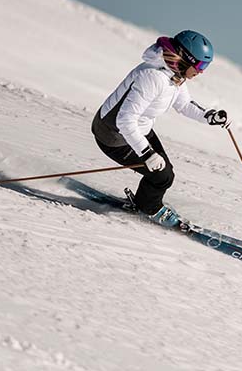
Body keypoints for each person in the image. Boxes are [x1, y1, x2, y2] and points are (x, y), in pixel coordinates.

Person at [91, 30, 229, 226]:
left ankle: (142, 203)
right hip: (113, 134)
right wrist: (146, 154)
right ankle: (150, 208)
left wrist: (209, 117)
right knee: (161, 176)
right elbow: (125, 119)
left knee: (165, 173)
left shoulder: (174, 75)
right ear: (185, 59)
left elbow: (184, 104)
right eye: (200, 65)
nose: (201, 71)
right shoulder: (153, 77)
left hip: (139, 129)